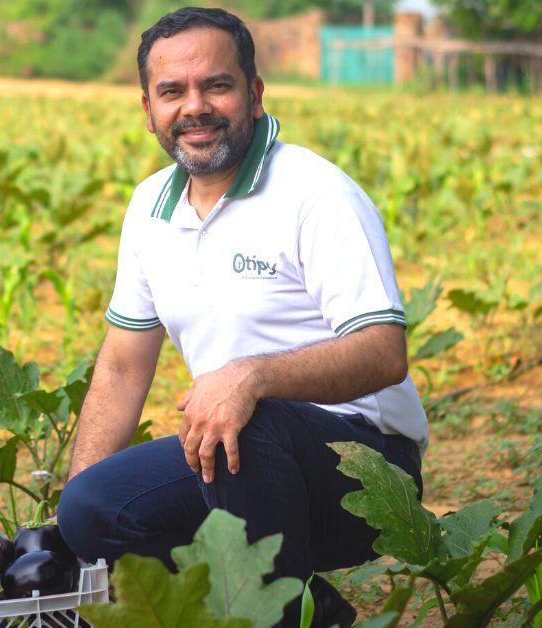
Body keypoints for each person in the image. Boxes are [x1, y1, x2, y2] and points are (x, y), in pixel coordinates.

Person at [56, 7, 428, 627]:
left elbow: (384, 351)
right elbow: (123, 365)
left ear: (254, 94)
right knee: (94, 508)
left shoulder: (315, 193)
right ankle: (315, 613)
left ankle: (274, 617)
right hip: (236, 453)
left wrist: (253, 376)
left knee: (242, 419)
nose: (194, 107)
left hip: (366, 469)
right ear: (148, 108)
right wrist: (73, 511)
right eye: (172, 92)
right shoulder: (149, 205)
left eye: (217, 86)